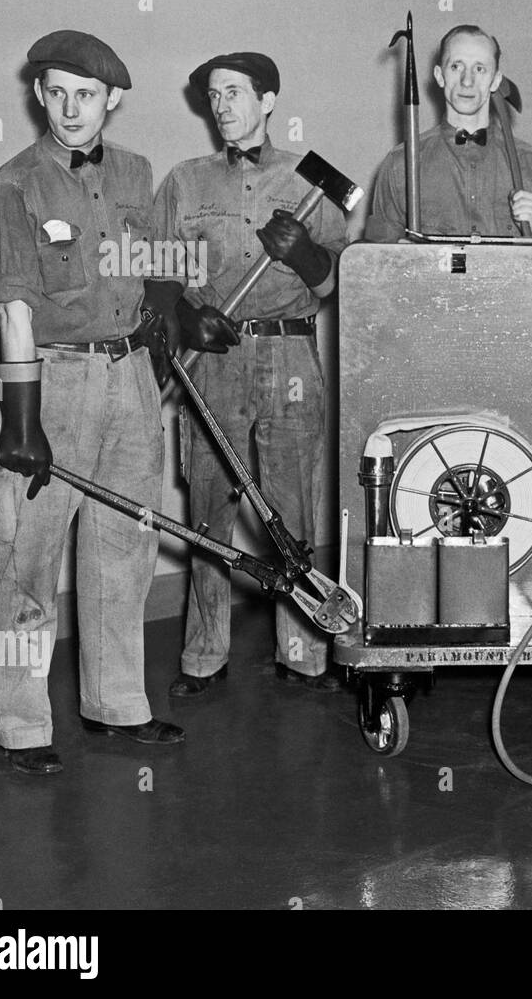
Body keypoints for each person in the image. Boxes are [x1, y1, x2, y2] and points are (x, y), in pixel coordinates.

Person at [0, 30, 185, 775]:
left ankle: (117, 704)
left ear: (113, 101)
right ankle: (24, 721)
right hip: (51, 379)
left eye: (87, 95)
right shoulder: (13, 186)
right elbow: (13, 307)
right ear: (38, 93)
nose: (71, 108)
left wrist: (173, 316)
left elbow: (157, 263)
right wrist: (23, 416)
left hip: (130, 376)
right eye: (57, 91)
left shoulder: (136, 171)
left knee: (124, 547)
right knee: (28, 556)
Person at [155, 51, 347, 696]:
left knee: (290, 507)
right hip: (213, 358)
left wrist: (307, 253)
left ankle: (302, 652)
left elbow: (339, 282)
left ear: (268, 100)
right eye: (214, 95)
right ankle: (204, 656)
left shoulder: (309, 180)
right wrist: (186, 320)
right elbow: (159, 278)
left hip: (290, 353)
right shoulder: (184, 182)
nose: (223, 106)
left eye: (235, 93)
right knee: (209, 507)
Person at [364, 24, 532, 241]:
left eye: (479, 69)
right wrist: (399, 256)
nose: (467, 81)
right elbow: (374, 260)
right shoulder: (399, 165)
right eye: (456, 67)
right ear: (439, 76)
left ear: (496, 80)